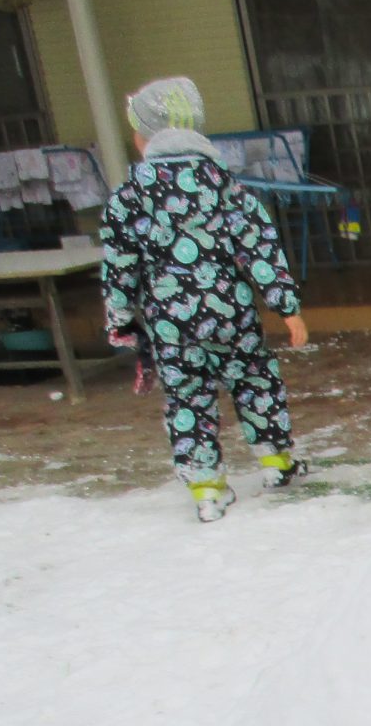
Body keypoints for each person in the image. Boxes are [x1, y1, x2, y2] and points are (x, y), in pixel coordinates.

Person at [99, 76, 310, 523]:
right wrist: (286, 307)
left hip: (170, 323)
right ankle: (277, 462)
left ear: (145, 137)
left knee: (187, 398)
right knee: (254, 380)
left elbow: (119, 263)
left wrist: (119, 316)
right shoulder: (224, 185)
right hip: (231, 313)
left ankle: (207, 489)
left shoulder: (129, 196)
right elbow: (259, 245)